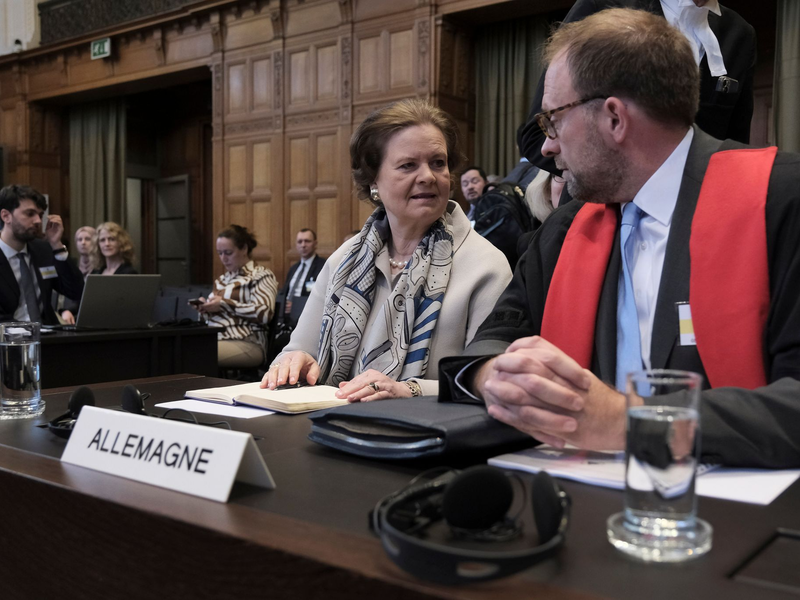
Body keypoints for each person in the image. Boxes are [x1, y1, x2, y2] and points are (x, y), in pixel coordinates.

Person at [442, 8, 800, 469]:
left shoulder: (780, 199)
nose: (546, 146)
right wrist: (498, 377)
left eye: (552, 120)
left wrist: (629, 422)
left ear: (614, 118)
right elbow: (487, 347)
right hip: (580, 508)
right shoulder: (564, 230)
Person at [262, 98, 512, 400]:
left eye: (438, 163)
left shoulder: (486, 266)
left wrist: (410, 390)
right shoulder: (344, 259)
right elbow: (297, 350)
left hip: (429, 437)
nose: (428, 176)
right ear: (373, 182)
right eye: (408, 165)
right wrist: (294, 363)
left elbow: (492, 382)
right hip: (328, 427)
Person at [517, 0, 757, 174]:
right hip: (604, 213)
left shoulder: (740, 34)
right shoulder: (604, 5)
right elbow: (537, 138)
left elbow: (733, 151)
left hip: (699, 216)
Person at [193, 225, 278, 369]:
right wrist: (205, 310)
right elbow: (212, 318)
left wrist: (225, 304)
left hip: (248, 342)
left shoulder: (261, 275)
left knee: (194, 354)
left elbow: (264, 313)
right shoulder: (222, 280)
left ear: (244, 249)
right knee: (180, 350)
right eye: (220, 253)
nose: (223, 258)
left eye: (228, 252)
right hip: (216, 338)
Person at [0, 184, 84, 325]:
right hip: (8, 339)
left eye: (40, 215)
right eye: (30, 214)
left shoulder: (43, 250)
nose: (38, 221)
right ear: (6, 216)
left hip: (48, 337)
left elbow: (75, 292)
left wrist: (57, 245)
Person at [280, 228, 325, 326]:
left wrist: (296, 306)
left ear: (315, 243)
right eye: (300, 242)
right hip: (286, 319)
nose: (303, 245)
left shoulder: (323, 266)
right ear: (296, 245)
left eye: (307, 241)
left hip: (308, 319)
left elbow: (322, 297)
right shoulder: (294, 268)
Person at [58, 225, 97, 324]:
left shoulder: (100, 268)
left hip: (88, 316)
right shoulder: (72, 265)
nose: (83, 243)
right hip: (67, 315)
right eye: (79, 239)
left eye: (87, 239)